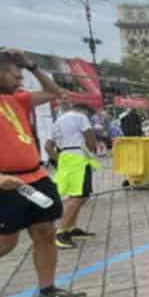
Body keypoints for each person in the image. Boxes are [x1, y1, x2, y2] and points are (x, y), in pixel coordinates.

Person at [0, 50, 86, 297]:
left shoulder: (15, 100)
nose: (20, 82)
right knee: (4, 242)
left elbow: (55, 93)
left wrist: (31, 66)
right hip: (0, 184)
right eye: (16, 77)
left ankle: (48, 291)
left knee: (45, 231)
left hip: (36, 178)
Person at [51, 103, 100, 249]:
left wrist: (60, 161)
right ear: (84, 110)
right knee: (76, 197)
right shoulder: (80, 116)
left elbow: (48, 146)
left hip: (66, 157)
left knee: (82, 196)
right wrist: (90, 152)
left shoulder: (58, 121)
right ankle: (60, 232)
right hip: (79, 157)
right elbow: (91, 138)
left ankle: (70, 227)